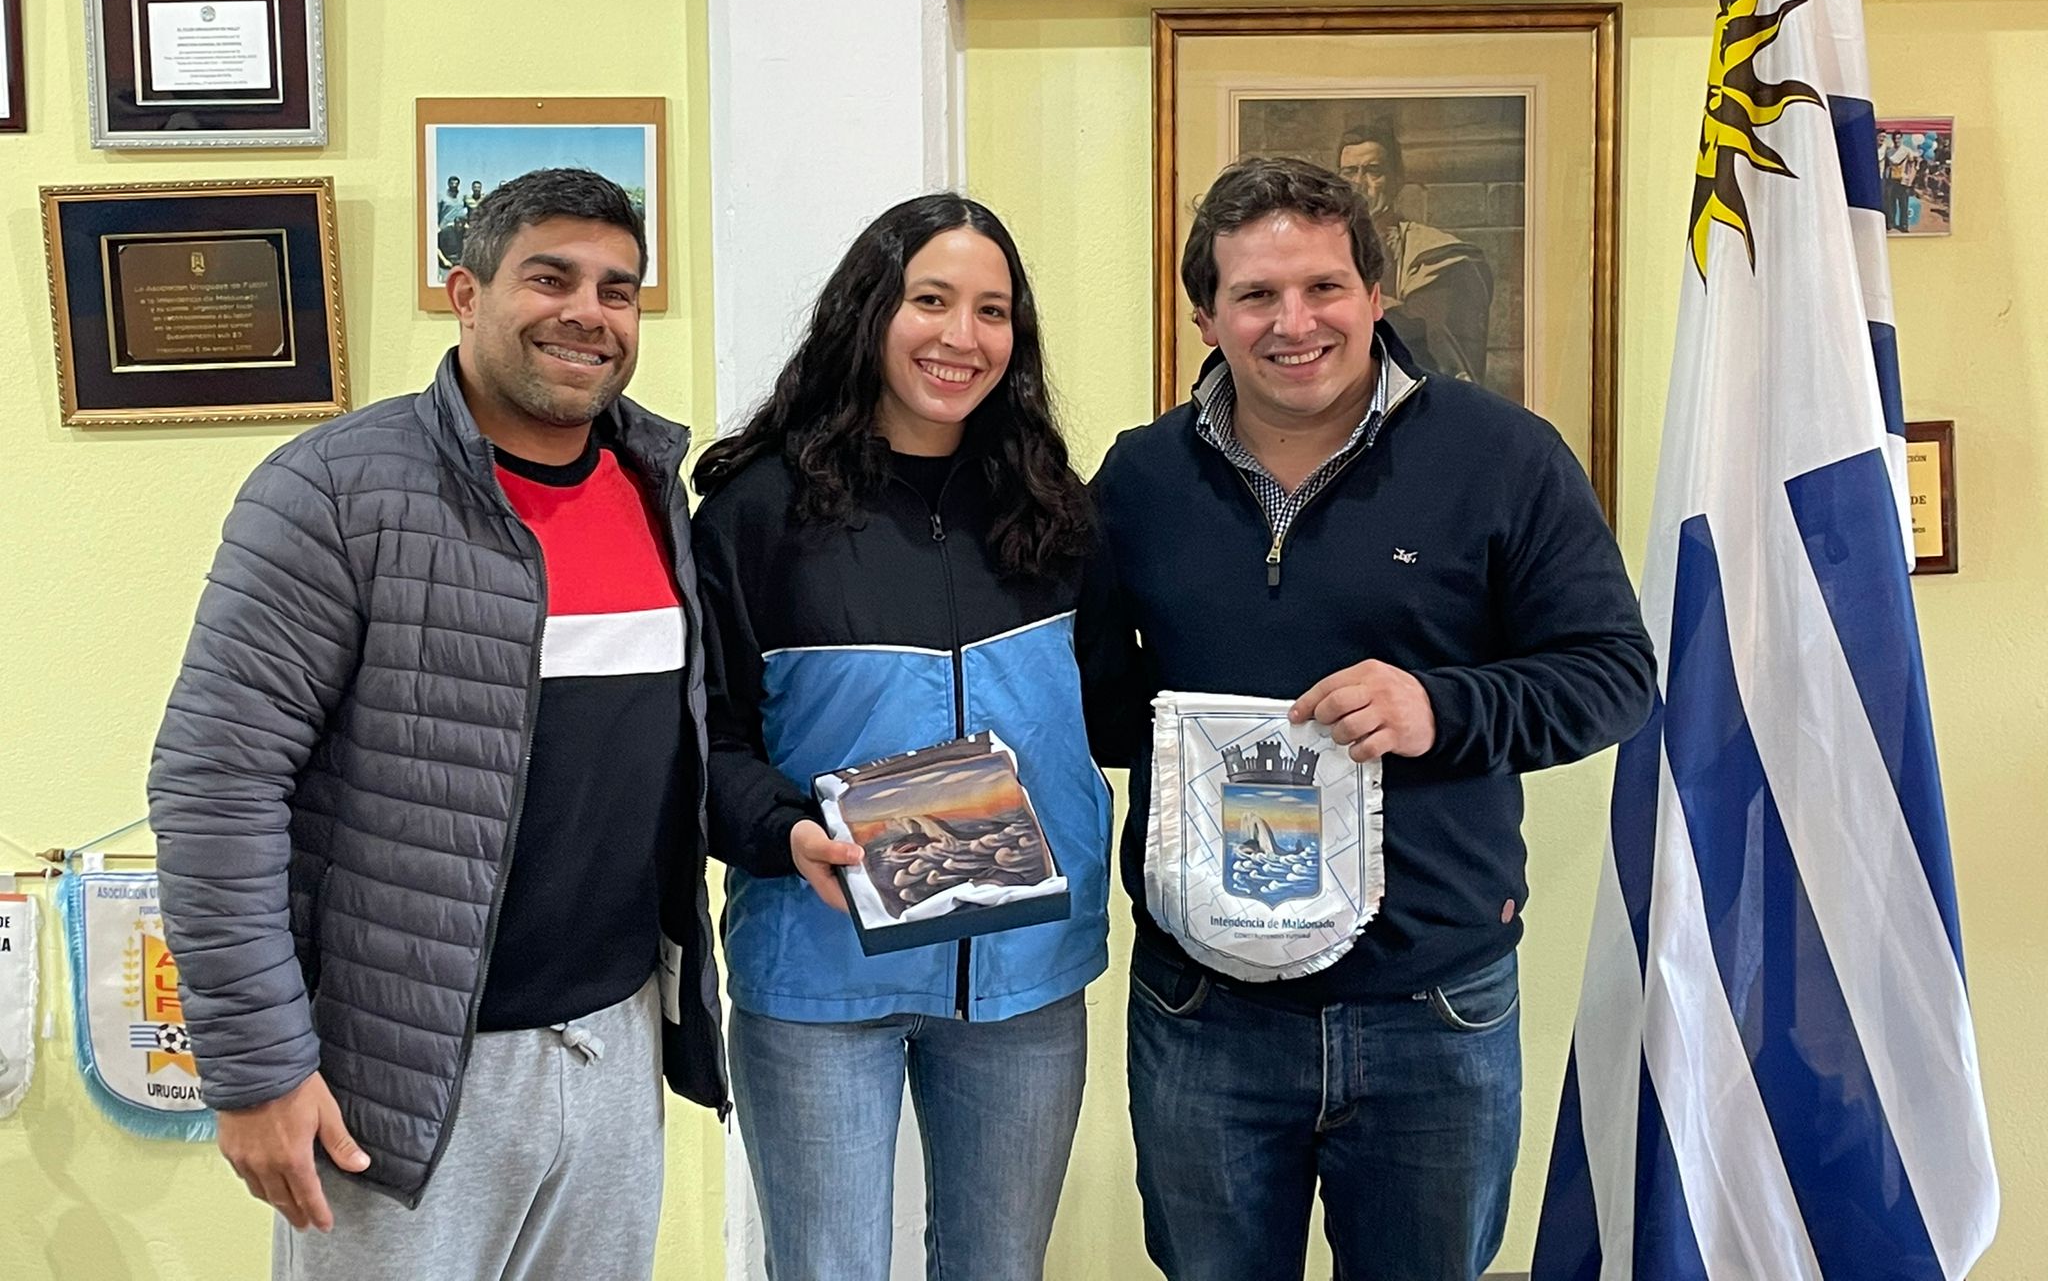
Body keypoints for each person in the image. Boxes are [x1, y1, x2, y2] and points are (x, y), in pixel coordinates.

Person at [1080, 157, 1655, 1281]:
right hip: (1203, 1008)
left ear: (1375, 294)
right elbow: (1100, 708)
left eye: (1323, 287)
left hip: (1431, 1008)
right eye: (1255, 294)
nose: (1293, 323)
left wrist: (1441, 706)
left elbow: (1614, 676)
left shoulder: (1503, 457)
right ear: (1205, 317)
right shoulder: (1140, 480)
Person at [147, 168, 726, 1280]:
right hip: (403, 1074)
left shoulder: (655, 492)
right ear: (466, 294)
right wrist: (257, 1068)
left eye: (616, 290)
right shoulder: (332, 491)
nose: (587, 313)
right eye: (549, 278)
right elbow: (217, 784)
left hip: (612, 1047)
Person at [692, 192, 1111, 1281]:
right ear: (870, 311)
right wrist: (781, 831)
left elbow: (1110, 704)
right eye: (931, 300)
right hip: (819, 970)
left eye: (992, 311)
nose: (961, 336)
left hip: (1022, 980)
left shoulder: (1052, 509)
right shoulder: (756, 513)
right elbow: (700, 739)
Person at [1335, 121, 1496, 384]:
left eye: (1373, 171)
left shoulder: (1434, 252)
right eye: (1349, 172)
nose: (1359, 184)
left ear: (1397, 179)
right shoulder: (1323, 246)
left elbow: (1429, 337)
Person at [436, 173, 469, 274]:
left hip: (459, 225)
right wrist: (437, 225)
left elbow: (466, 210)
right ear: (448, 184)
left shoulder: (462, 197)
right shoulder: (442, 197)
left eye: (456, 183)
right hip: (445, 225)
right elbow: (437, 211)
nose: (454, 185)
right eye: (452, 183)